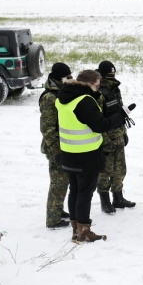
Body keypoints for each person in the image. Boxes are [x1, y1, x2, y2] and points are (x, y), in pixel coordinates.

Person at [56, 69, 127, 243]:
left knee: (75, 190)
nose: (98, 87)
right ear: (89, 84)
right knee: (85, 193)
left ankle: (76, 228)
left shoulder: (63, 98)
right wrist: (122, 115)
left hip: (68, 152)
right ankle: (84, 232)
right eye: (97, 83)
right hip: (86, 155)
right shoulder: (84, 101)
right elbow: (101, 125)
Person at [95, 60, 136, 214]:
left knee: (120, 169)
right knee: (105, 171)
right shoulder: (98, 92)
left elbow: (119, 113)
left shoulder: (114, 89)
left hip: (118, 134)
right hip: (106, 138)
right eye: (110, 75)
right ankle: (105, 201)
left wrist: (124, 133)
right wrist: (104, 140)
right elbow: (96, 120)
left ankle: (118, 198)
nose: (113, 77)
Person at [40, 62, 73, 229]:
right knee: (58, 183)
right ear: (60, 78)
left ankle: (58, 210)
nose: (71, 79)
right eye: (68, 76)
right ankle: (52, 219)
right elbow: (47, 128)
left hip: (64, 145)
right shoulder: (50, 97)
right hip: (56, 148)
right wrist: (56, 150)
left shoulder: (60, 92)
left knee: (63, 181)